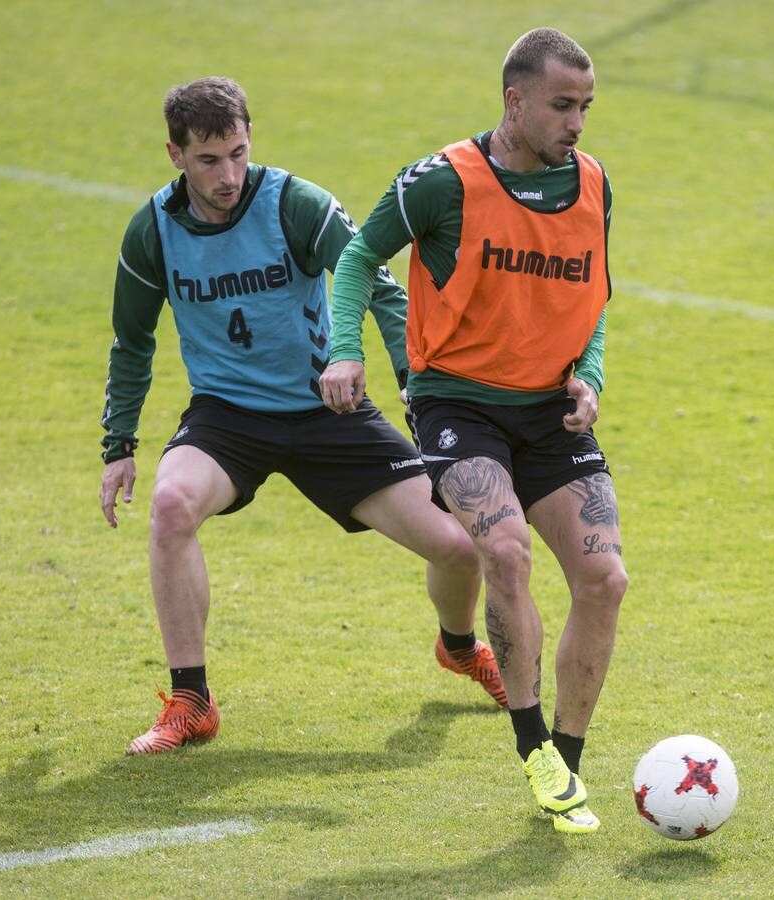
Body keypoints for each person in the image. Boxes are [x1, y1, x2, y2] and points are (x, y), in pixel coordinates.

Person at [99, 76, 506, 757]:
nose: (228, 175)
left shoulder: (296, 205)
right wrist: (119, 444)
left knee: (459, 547)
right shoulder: (153, 233)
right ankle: (192, 700)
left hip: (328, 411)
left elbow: (379, 289)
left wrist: (418, 392)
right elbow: (132, 341)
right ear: (175, 155)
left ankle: (459, 646)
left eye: (237, 152)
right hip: (226, 418)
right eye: (208, 160)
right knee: (171, 507)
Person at [320, 29, 627, 834]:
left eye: (586, 107)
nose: (577, 124)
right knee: (503, 548)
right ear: (514, 101)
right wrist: (346, 350)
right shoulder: (442, 182)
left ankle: (568, 758)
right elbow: (357, 259)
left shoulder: (592, 183)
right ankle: (533, 751)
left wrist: (588, 374)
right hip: (459, 402)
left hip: (548, 411)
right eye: (563, 106)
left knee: (606, 580)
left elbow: (594, 297)